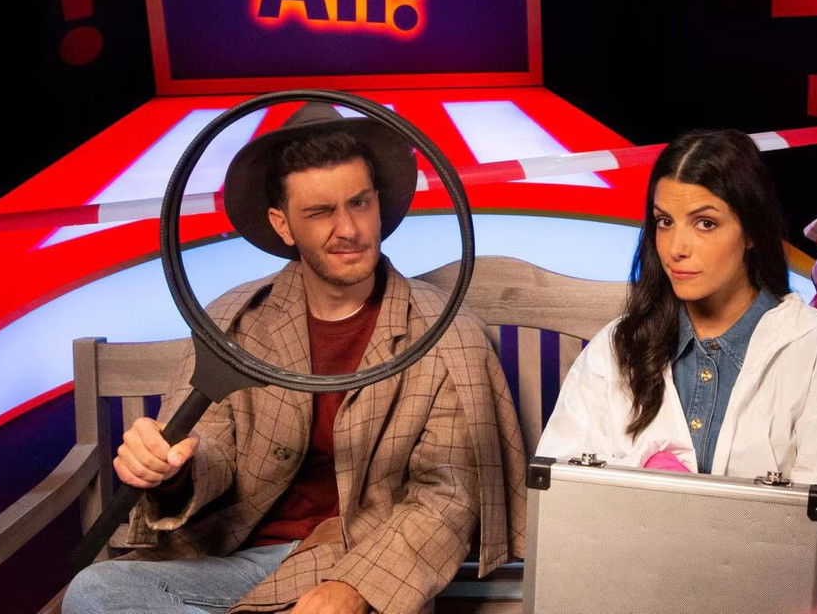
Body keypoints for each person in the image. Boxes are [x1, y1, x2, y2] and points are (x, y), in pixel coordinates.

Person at [64, 102, 527, 614]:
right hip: (238, 560)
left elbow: (448, 495)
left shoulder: (445, 333)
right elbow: (210, 444)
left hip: (362, 558)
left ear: (379, 203)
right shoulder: (236, 321)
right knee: (97, 591)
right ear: (282, 225)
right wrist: (172, 467)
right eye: (320, 212)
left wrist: (356, 588)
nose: (348, 229)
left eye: (359, 203)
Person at [535, 129, 817, 614]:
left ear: (751, 231)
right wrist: (654, 492)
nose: (675, 248)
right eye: (664, 222)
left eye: (705, 223)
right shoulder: (618, 349)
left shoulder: (815, 352)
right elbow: (562, 496)